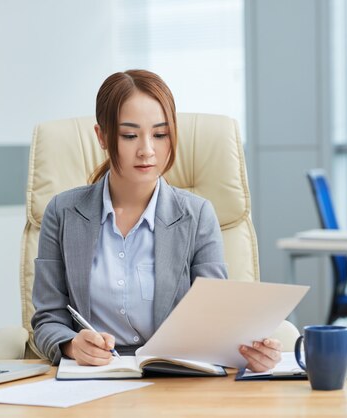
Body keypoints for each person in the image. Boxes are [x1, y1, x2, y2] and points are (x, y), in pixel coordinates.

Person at [31, 69, 282, 372]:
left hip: (174, 378)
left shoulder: (198, 216)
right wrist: (72, 345)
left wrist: (249, 350)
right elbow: (48, 318)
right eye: (129, 135)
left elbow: (216, 321)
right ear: (102, 136)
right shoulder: (63, 212)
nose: (147, 150)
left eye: (160, 135)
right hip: (92, 377)